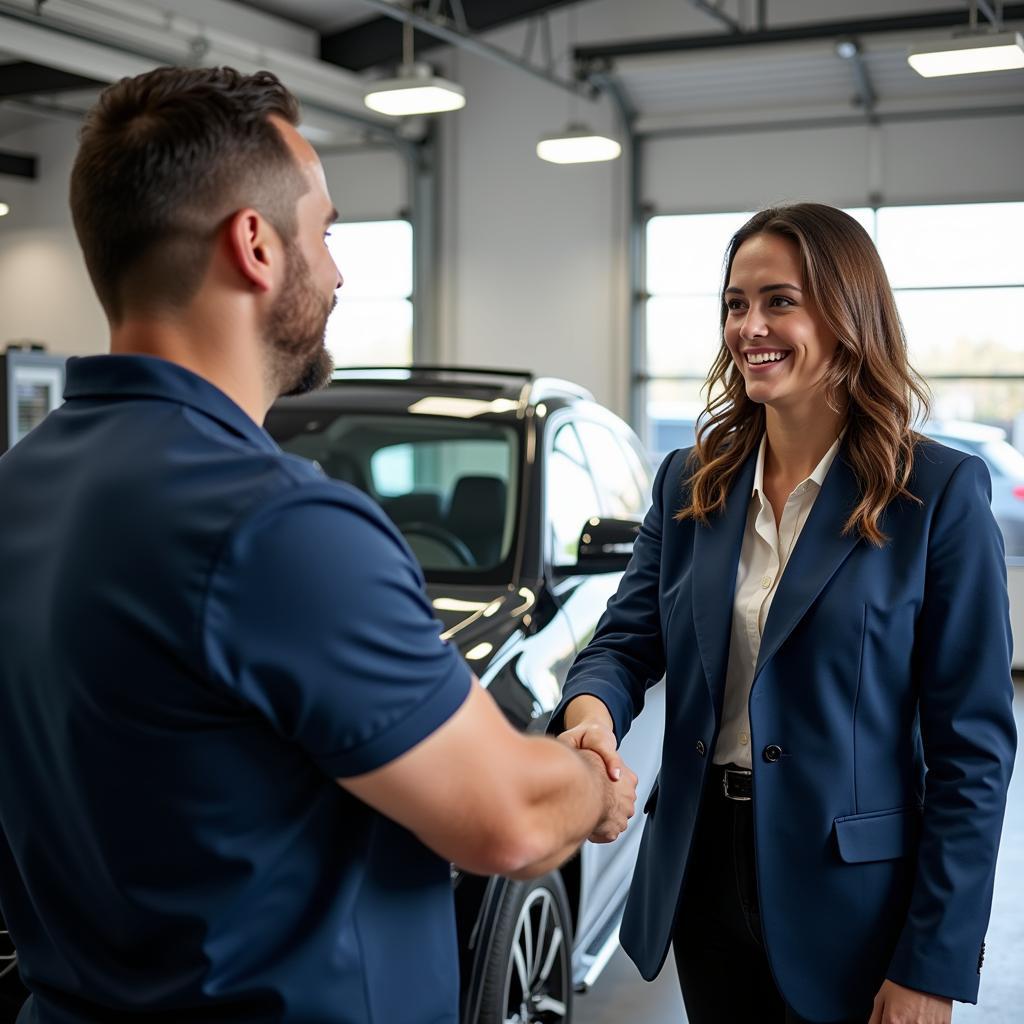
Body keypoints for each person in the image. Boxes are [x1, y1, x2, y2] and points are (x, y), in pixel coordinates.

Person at [0, 66, 637, 1024]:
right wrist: (592, 783)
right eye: (326, 231)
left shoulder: (25, 483)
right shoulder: (277, 525)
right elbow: (506, 818)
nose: (337, 271)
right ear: (255, 246)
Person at [552, 203, 1017, 1024]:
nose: (749, 326)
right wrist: (592, 715)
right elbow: (625, 642)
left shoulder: (936, 495)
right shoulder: (690, 480)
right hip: (700, 874)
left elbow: (971, 751)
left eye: (779, 301)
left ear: (847, 314)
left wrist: (931, 963)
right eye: (735, 303)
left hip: (853, 900)